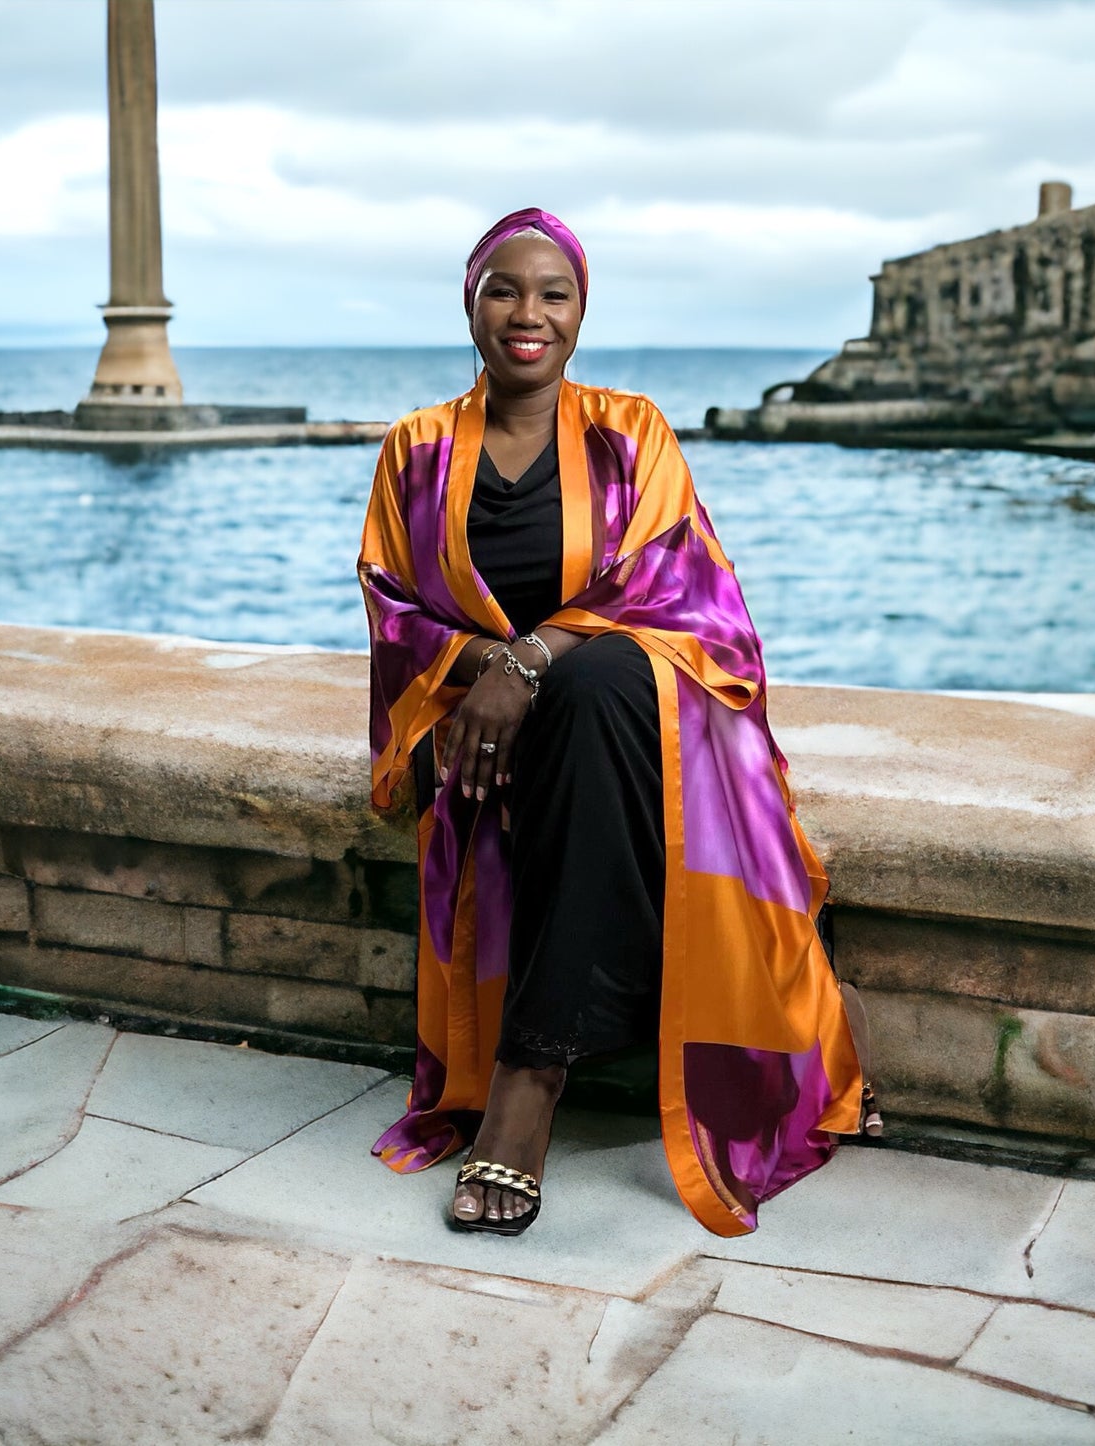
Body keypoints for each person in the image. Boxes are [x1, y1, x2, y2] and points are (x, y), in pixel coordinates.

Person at [358, 207, 880, 1239]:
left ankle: (527, 1081)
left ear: (580, 312)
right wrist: (492, 674)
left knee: (594, 687)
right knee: (572, 725)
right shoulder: (416, 448)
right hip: (511, 715)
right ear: (470, 301)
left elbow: (672, 591)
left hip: (656, 696)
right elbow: (393, 607)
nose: (528, 313)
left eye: (554, 294)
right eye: (504, 289)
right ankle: (794, 1000)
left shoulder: (627, 429)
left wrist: (528, 660)